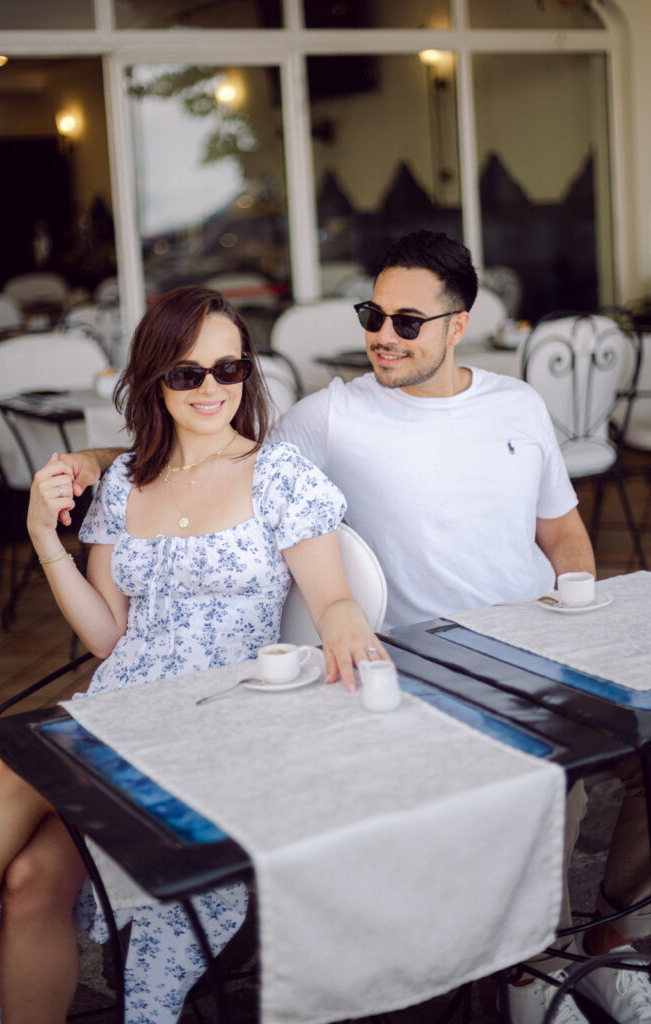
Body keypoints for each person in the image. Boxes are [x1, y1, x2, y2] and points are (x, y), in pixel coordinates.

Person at [62, 232, 651, 1024]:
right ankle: (533, 974)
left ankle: (609, 936)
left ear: (458, 324)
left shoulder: (518, 406)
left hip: (544, 648)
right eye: (375, 314)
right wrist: (101, 460)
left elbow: (562, 533)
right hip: (432, 669)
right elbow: (207, 445)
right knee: (547, 791)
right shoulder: (328, 418)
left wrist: (575, 600)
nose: (383, 334)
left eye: (408, 321)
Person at [0, 285, 387, 1024]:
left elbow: (333, 599)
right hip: (123, 706)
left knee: (16, 763)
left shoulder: (279, 477)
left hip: (215, 719)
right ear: (154, 377)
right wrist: (44, 541)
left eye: (229, 368)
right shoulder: (125, 481)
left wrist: (347, 626)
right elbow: (108, 638)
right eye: (187, 373)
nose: (211, 388)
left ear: (247, 371)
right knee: (27, 878)